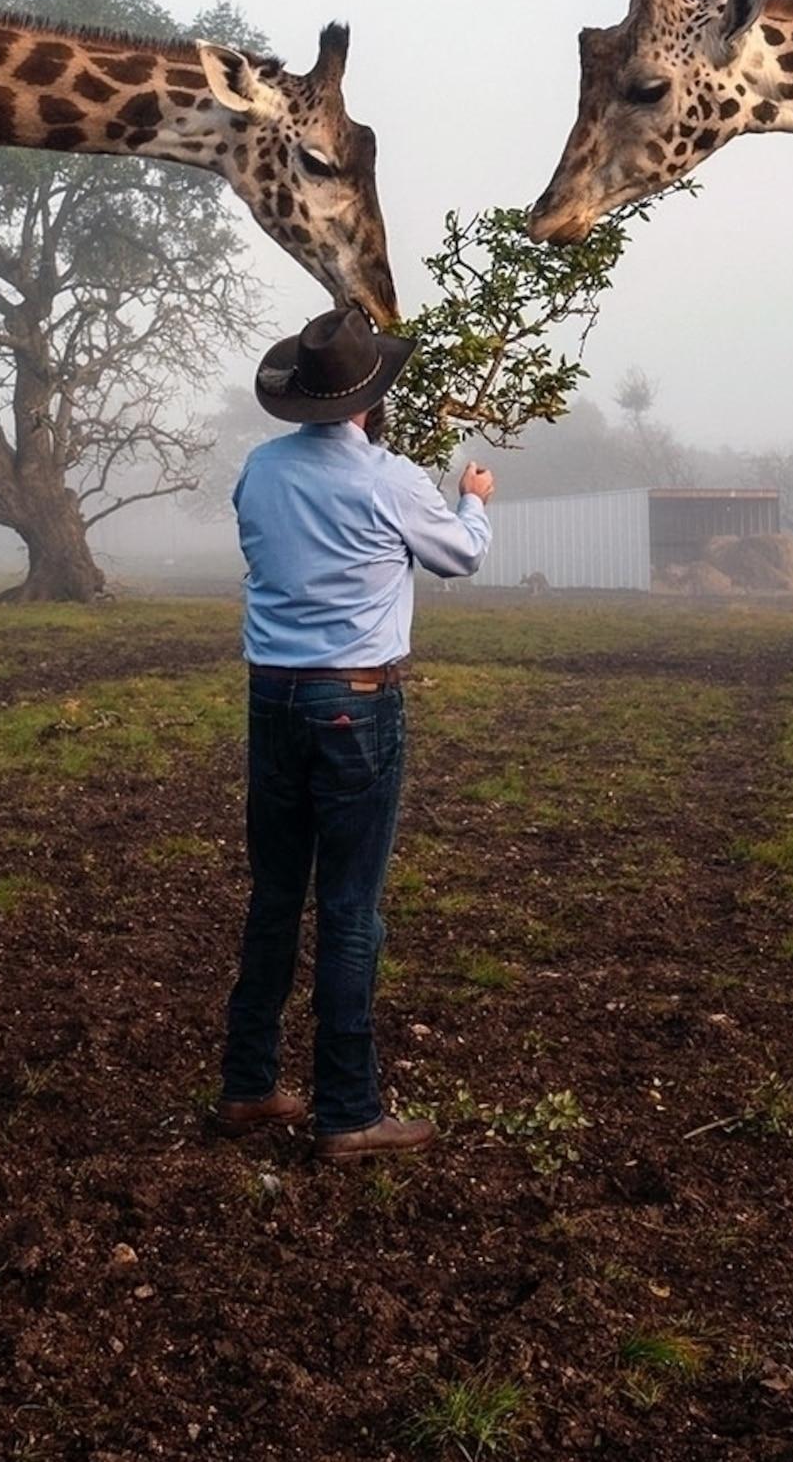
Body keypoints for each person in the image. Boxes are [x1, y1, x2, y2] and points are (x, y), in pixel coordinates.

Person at [212, 307, 492, 1161]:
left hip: (272, 695)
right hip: (356, 702)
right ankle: (347, 1109)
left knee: (275, 896)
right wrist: (472, 501)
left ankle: (249, 1082)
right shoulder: (390, 479)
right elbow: (459, 557)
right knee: (348, 907)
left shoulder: (259, 469)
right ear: (368, 399)